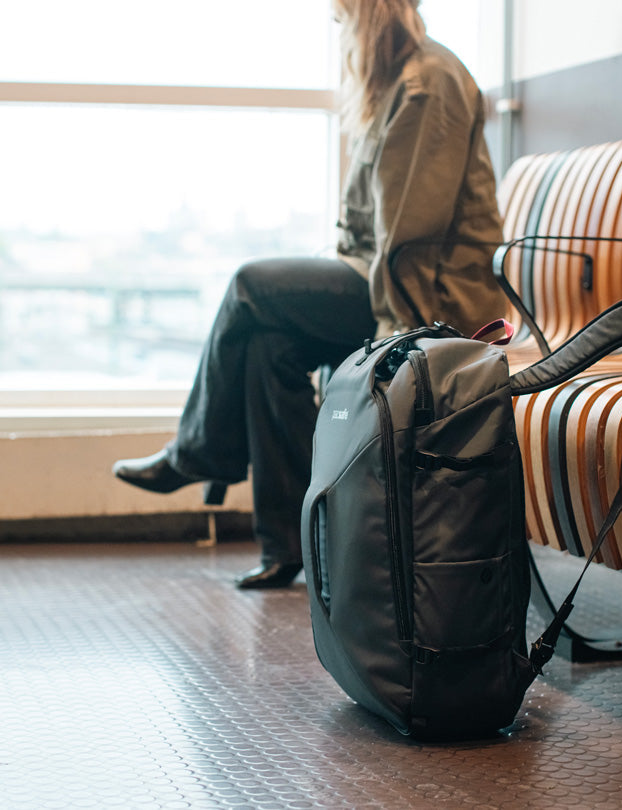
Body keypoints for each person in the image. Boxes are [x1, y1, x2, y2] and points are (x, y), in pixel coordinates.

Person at [112, 0, 506, 589]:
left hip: (433, 301)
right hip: (380, 277)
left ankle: (199, 454)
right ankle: (292, 545)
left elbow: (409, 240)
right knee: (270, 344)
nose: (333, 21)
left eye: (343, 12)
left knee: (250, 285)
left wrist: (391, 346)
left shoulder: (427, 83)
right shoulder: (393, 82)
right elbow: (369, 232)